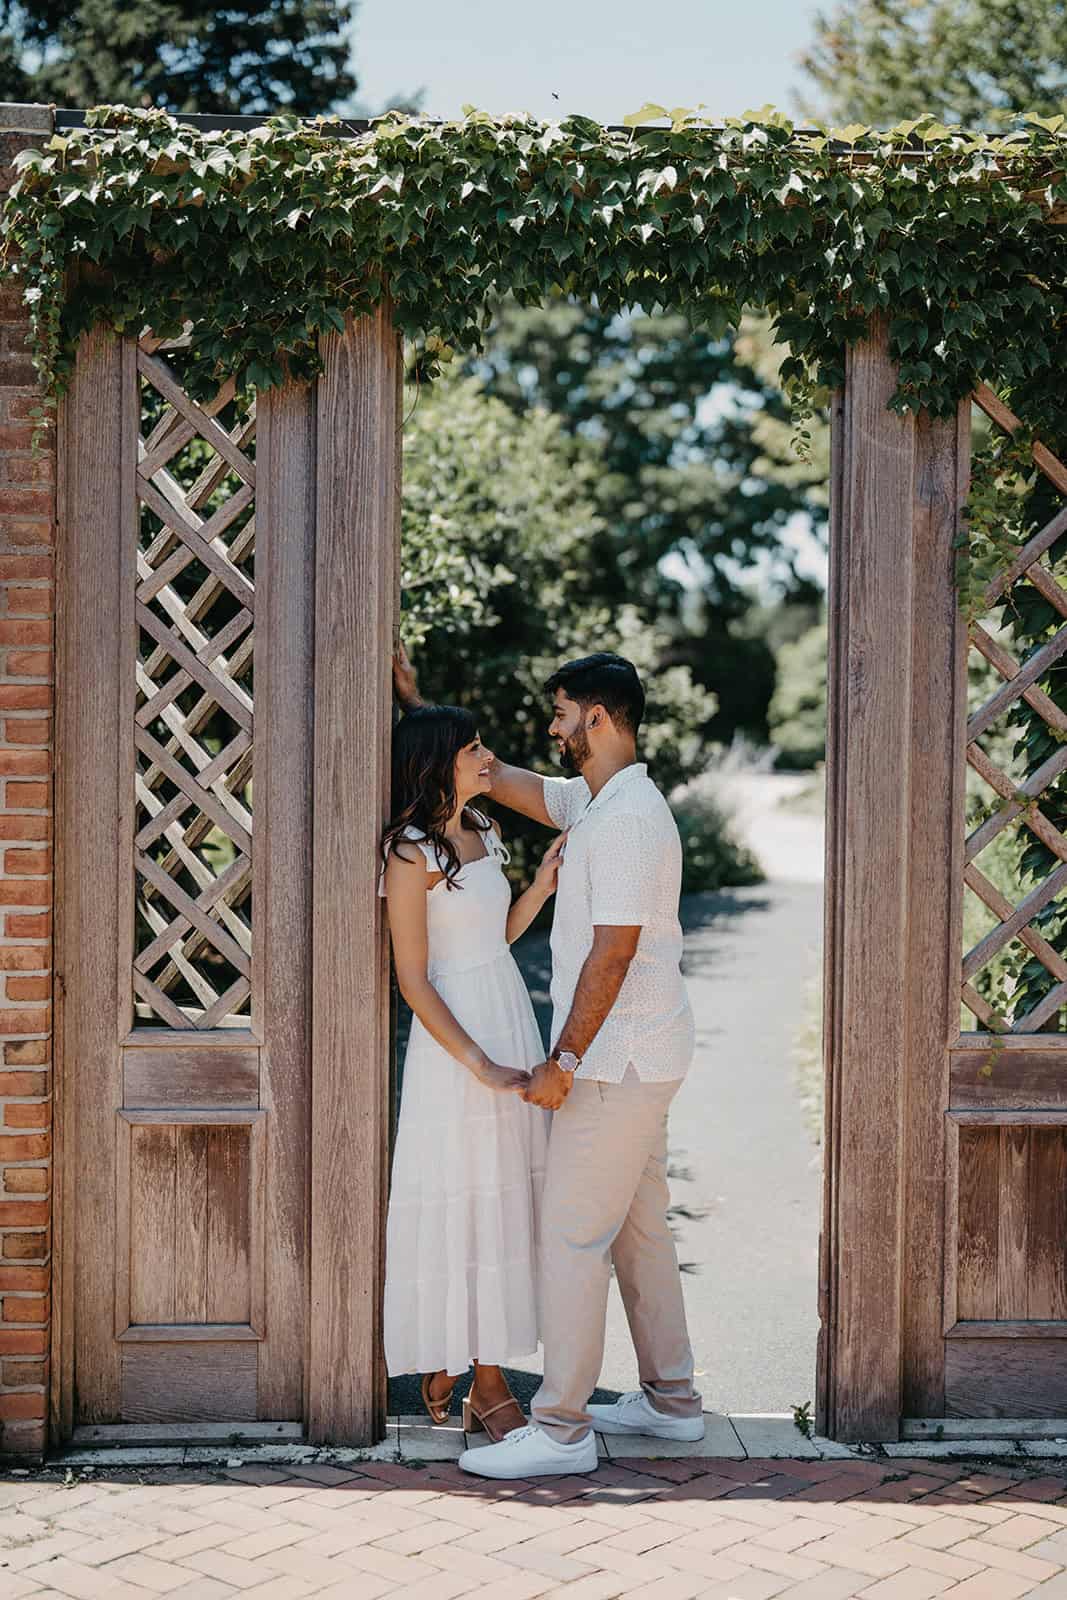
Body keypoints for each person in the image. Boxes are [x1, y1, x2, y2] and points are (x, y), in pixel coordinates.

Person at [394, 644, 704, 1481]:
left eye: (561, 713)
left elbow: (612, 953)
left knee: (571, 1238)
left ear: (595, 719)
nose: (550, 727)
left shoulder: (629, 821)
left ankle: (561, 1428)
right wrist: (422, 711)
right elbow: (493, 778)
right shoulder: (597, 803)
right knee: (640, 1234)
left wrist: (562, 1059)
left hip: (614, 1064)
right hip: (635, 1057)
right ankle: (672, 1403)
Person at [379, 691, 564, 1439]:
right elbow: (413, 979)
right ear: (438, 764)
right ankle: (480, 1381)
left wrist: (539, 890)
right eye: (475, 750)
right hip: (454, 1045)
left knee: (505, 1200)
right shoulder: (407, 853)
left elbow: (496, 939)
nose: (489, 759)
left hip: (506, 1012)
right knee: (465, 1198)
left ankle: (472, 1371)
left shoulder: (483, 827)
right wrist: (479, 1065)